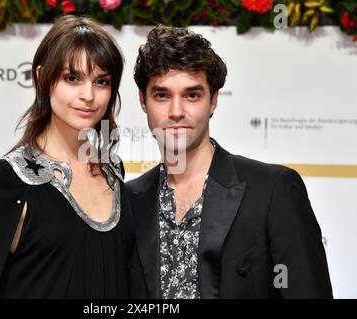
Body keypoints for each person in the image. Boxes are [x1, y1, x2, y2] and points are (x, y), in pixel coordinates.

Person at [127, 25, 333, 299]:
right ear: (143, 100)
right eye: (162, 95)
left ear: (213, 101)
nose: (176, 112)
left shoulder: (272, 190)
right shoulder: (129, 200)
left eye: (192, 95)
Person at [0, 15, 133, 298]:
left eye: (101, 81)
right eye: (72, 78)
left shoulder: (114, 171)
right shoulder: (6, 180)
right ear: (42, 77)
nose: (88, 95)